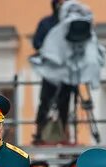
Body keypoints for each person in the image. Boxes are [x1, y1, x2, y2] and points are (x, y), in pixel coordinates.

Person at [31, 0, 73, 144]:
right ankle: (39, 133)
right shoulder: (46, 23)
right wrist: (48, 49)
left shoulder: (70, 23)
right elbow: (37, 43)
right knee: (45, 100)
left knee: (65, 102)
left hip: (67, 71)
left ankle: (64, 134)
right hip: (50, 70)